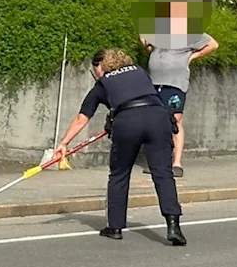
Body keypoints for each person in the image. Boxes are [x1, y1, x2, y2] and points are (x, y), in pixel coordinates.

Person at [55, 47, 186, 245]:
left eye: (94, 70)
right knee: (163, 173)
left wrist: (64, 143)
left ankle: (115, 227)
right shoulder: (140, 72)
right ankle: (173, 225)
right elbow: (144, 96)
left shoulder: (103, 83)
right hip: (158, 119)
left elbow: (82, 118)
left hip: (128, 122)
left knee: (119, 173)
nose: (95, 75)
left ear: (101, 66)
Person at [141, 0, 217, 178]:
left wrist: (192, 57)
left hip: (175, 83)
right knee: (155, 122)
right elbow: (148, 45)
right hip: (155, 82)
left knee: (174, 121)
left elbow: (213, 44)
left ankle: (176, 163)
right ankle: (158, 161)